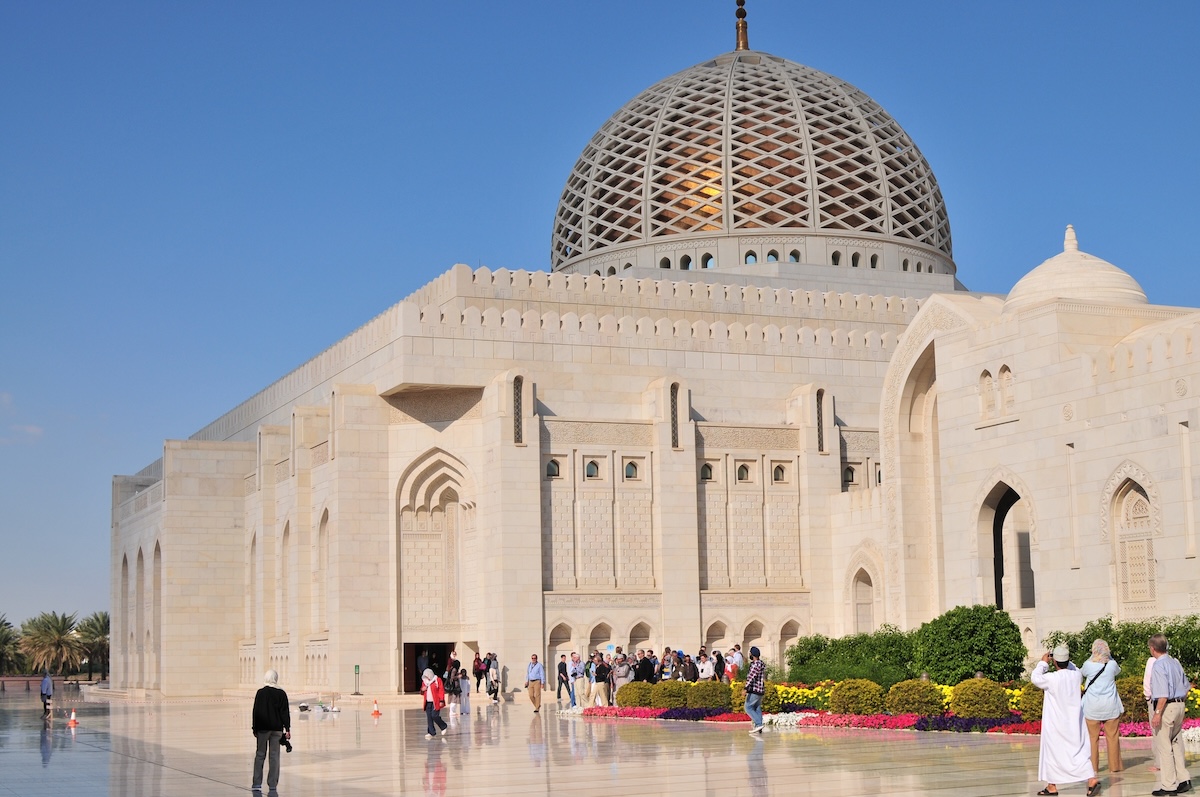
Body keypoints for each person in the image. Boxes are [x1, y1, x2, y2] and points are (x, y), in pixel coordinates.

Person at [1031, 646, 1099, 797]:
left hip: (1056, 723)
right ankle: (1091, 779)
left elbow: (1035, 678)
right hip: (1074, 722)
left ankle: (1052, 786)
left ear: (1054, 661)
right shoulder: (1076, 676)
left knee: (1052, 754)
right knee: (1079, 752)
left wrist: (1043, 663)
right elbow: (1074, 667)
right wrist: (1062, 658)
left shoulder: (1052, 678)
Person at [1148, 633, 1191, 796]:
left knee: (1164, 746)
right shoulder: (1175, 663)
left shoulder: (1159, 665)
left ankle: (1168, 785)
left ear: (1153, 649)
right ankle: (1184, 778)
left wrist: (1157, 713)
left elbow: (1163, 693)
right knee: (1175, 742)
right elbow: (1186, 686)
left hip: (1167, 706)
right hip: (1179, 705)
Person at [1080, 639, 1123, 775]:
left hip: (1092, 707)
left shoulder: (1088, 665)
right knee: (1113, 737)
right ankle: (1114, 767)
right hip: (1110, 706)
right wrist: (1108, 657)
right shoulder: (1112, 665)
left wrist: (1093, 657)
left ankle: (1093, 767)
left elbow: (1082, 673)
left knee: (1093, 739)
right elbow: (1118, 671)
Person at [251, 669, 292, 792]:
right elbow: (284, 712)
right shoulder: (281, 693)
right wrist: (288, 728)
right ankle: (272, 784)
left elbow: (256, 712)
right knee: (274, 756)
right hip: (277, 729)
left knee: (260, 755)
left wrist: (255, 728)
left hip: (263, 729)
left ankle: (257, 783)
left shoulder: (260, 693)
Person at [421, 668, 448, 739]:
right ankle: (431, 732)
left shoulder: (437, 680)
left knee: (434, 715)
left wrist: (441, 700)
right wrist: (422, 690)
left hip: (435, 702)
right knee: (429, 717)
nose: (426, 677)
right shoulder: (424, 682)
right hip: (428, 702)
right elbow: (422, 691)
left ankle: (443, 726)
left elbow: (441, 690)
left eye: (427, 676)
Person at [744, 647, 766, 735]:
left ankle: (758, 724)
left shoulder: (756, 664)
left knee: (748, 707)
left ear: (752, 654)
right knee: (757, 707)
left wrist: (745, 688)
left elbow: (751, 677)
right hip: (760, 689)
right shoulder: (760, 663)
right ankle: (759, 727)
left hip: (755, 689)